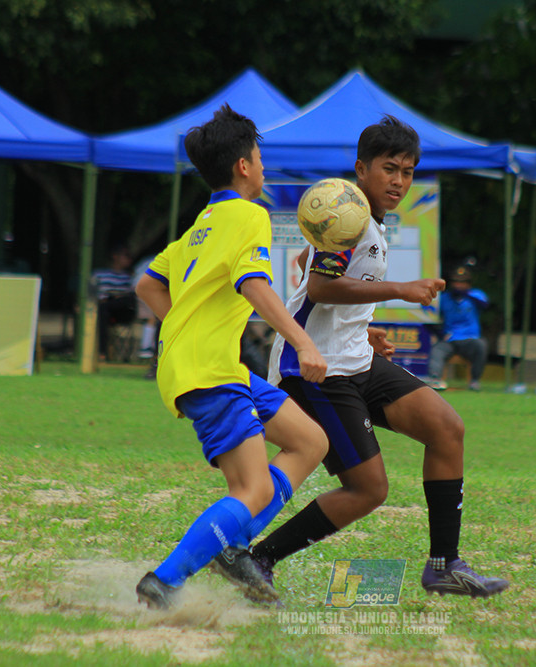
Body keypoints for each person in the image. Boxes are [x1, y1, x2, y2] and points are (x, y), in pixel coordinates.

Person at [214, 115, 509, 600]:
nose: (399, 181)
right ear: (361, 169)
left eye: (408, 172)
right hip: (316, 370)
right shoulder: (348, 217)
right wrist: (401, 290)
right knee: (368, 489)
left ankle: (444, 565)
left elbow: (312, 271)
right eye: (389, 169)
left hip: (354, 358)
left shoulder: (365, 219)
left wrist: (359, 328)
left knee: (446, 427)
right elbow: (320, 286)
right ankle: (258, 559)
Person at [132, 104, 329, 609]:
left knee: (309, 441)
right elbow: (253, 285)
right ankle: (165, 581)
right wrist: (303, 342)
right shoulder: (249, 215)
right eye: (259, 159)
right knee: (253, 490)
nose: (263, 168)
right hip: (211, 370)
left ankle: (233, 545)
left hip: (216, 366)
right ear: (244, 166)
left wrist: (184, 329)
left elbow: (147, 284)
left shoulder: (199, 226)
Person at [426, 266, 489, 391]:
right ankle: (435, 379)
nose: (458, 285)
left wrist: (465, 294)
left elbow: (485, 304)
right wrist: (439, 334)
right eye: (456, 282)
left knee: (481, 345)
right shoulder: (444, 298)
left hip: (470, 338)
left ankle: (475, 381)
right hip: (450, 338)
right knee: (437, 350)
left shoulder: (475, 295)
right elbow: (429, 318)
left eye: (462, 282)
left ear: (468, 284)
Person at [92, 245, 136, 360]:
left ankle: (103, 352)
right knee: (102, 310)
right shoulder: (99, 274)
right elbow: (93, 293)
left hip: (122, 310)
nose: (129, 259)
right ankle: (102, 352)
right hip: (103, 310)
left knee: (125, 300)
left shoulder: (129, 277)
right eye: (126, 256)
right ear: (115, 256)